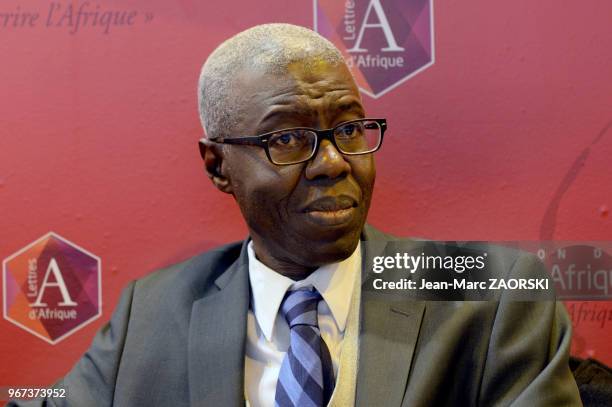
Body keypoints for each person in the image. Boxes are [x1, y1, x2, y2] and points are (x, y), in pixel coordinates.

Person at [10, 23, 582, 407]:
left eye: (349, 129)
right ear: (217, 167)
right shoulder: (153, 310)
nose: (333, 162)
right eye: (287, 139)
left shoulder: (495, 294)